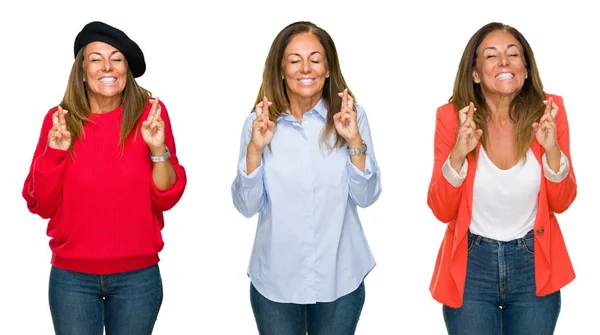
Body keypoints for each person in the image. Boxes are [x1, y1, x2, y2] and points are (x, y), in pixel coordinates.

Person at [22, 21, 186, 335]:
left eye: (117, 58)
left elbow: (166, 196)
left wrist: (158, 149)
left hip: (138, 277)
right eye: (96, 59)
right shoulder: (59, 120)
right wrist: (54, 153)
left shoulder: (151, 115)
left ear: (127, 69)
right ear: (82, 71)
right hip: (72, 278)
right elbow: (40, 204)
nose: (107, 66)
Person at [231, 21, 382, 334]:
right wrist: (255, 151)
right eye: (294, 60)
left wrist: (355, 141)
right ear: (281, 69)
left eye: (315, 59)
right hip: (276, 281)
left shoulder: (351, 117)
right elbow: (247, 207)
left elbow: (366, 197)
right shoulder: (257, 125)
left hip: (340, 277)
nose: (305, 68)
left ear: (328, 69)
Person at [427, 22, 576, 334]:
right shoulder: (452, 117)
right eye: (491, 55)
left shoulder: (550, 111)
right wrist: (458, 153)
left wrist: (552, 150)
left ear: (525, 67)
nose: (505, 62)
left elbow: (561, 203)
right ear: (476, 73)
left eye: (513, 54)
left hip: (534, 263)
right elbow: (442, 210)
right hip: (471, 264)